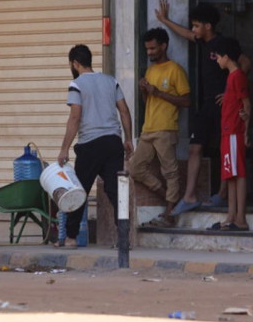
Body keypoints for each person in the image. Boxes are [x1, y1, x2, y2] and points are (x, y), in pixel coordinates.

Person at [57, 44, 134, 249]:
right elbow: (125, 111)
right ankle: (123, 238)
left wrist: (64, 148)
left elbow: (75, 117)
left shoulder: (77, 84)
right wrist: (128, 138)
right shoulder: (111, 81)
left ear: (75, 63)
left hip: (90, 144)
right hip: (112, 142)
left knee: (78, 190)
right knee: (115, 190)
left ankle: (71, 238)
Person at [156, 1, 229, 214]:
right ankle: (189, 196)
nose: (194, 29)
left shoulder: (223, 44)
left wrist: (230, 93)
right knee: (194, 147)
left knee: (224, 150)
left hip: (223, 105)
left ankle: (223, 194)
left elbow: (244, 64)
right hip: (206, 105)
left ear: (208, 26)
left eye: (197, 25)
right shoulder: (202, 42)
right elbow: (186, 34)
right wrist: (164, 20)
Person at [131, 28, 191, 228]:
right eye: (147, 49)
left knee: (170, 172)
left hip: (166, 129)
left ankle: (170, 212)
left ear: (164, 46)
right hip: (148, 129)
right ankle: (169, 197)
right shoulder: (150, 70)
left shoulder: (175, 69)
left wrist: (157, 92)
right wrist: (145, 91)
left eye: (152, 48)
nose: (149, 52)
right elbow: (149, 100)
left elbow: (186, 100)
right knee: (135, 168)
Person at [211, 37, 250, 231]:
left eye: (218, 56)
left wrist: (246, 130)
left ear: (226, 56)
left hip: (235, 132)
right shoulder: (231, 76)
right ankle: (232, 215)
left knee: (238, 174)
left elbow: (246, 103)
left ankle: (240, 218)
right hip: (228, 132)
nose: (216, 59)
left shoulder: (238, 76)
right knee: (231, 175)